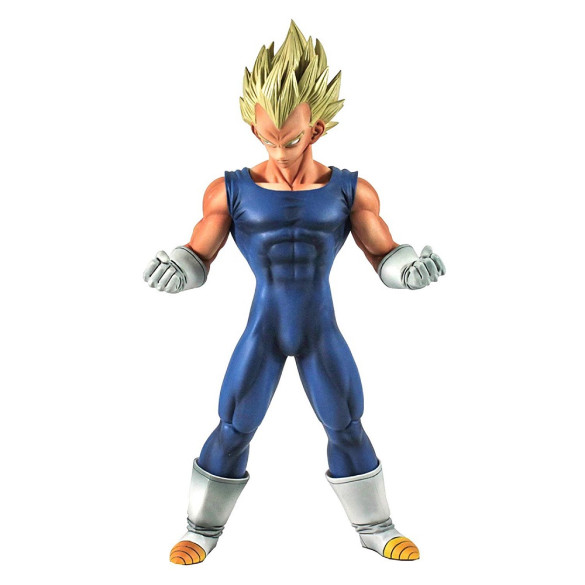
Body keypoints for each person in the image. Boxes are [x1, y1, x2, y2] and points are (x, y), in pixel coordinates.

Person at [143, 21, 445, 565]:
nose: (278, 151)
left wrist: (409, 270)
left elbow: (383, 253)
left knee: (345, 423)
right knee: (234, 424)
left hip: (318, 331)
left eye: (290, 139)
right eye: (266, 138)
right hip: (263, 328)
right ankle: (200, 530)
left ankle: (376, 527)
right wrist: (179, 270)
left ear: (318, 129)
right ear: (252, 126)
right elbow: (199, 254)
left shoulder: (350, 189)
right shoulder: (229, 190)